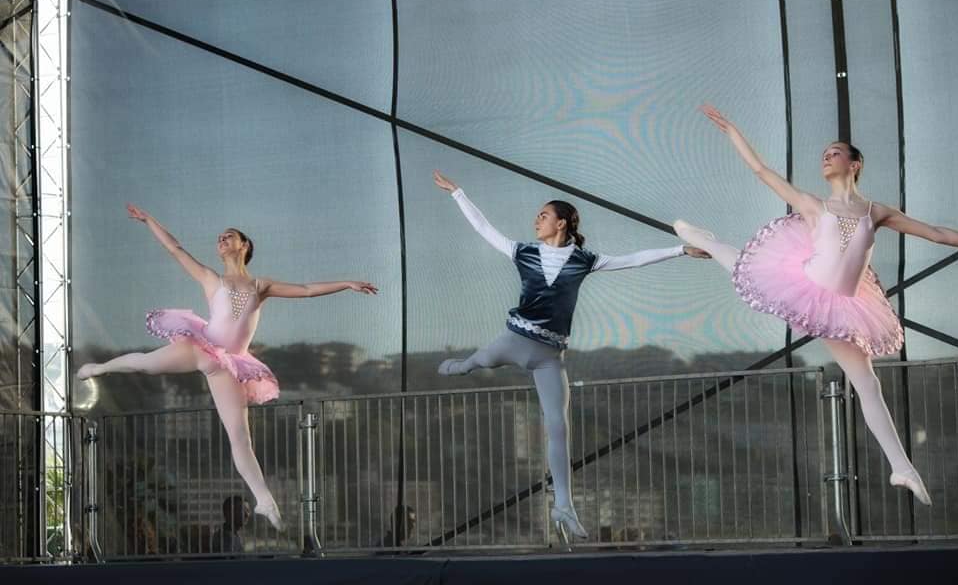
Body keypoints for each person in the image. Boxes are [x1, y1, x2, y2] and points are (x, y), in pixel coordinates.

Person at [674, 104, 958, 505]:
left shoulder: (877, 211)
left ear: (854, 164)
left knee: (868, 383)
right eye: (824, 153)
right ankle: (702, 239)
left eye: (835, 152)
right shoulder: (813, 205)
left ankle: (902, 469)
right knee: (745, 266)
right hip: (808, 285)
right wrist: (732, 130)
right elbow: (761, 170)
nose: (827, 157)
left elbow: (936, 233)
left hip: (844, 303)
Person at [433, 170, 709, 541]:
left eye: (543, 215)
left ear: (561, 223)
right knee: (479, 361)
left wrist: (680, 250)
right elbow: (485, 228)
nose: (536, 220)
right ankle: (461, 364)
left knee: (558, 426)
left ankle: (563, 505)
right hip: (513, 341)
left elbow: (633, 259)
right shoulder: (522, 251)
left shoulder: (585, 260)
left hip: (549, 356)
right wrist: (458, 193)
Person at [77, 204, 378, 528]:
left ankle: (264, 500)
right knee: (146, 364)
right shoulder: (211, 278)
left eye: (229, 236)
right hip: (201, 347)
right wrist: (149, 220)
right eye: (219, 237)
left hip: (229, 366)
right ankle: (99, 368)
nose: (221, 239)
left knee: (240, 436)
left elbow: (305, 290)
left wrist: (347, 283)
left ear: (244, 245)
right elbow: (174, 248)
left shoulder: (260, 286)